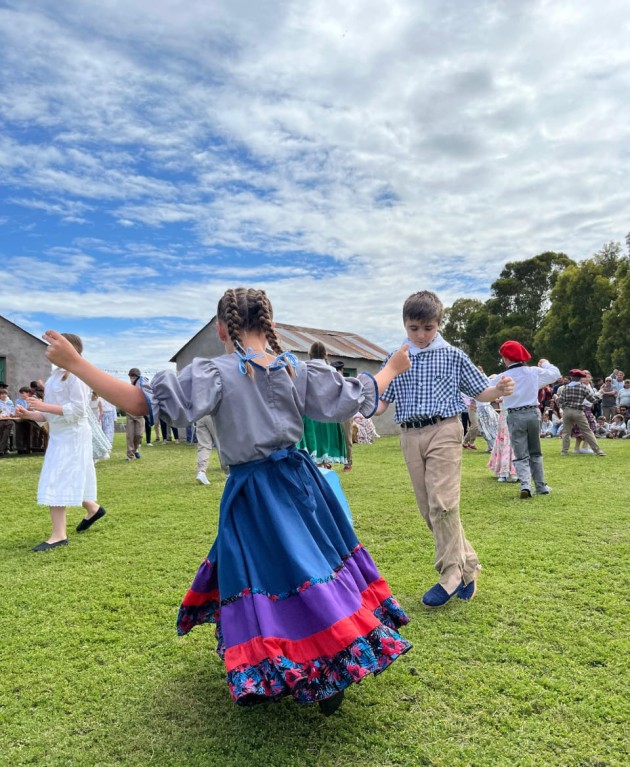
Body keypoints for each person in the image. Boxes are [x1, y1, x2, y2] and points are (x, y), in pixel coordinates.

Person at [42, 287, 413, 715]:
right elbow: (352, 398)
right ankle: (314, 657)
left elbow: (140, 402)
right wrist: (390, 368)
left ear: (221, 328)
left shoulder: (216, 373)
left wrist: (76, 363)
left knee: (269, 573)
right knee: (310, 567)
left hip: (254, 491)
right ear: (269, 324)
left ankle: (310, 660)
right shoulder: (294, 368)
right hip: (301, 483)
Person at [376, 290, 515, 608]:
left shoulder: (453, 356)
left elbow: (481, 391)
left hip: (445, 429)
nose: (421, 335)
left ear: (438, 324)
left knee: (443, 503)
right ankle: (469, 565)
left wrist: (499, 388)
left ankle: (450, 574)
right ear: (405, 325)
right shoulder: (397, 358)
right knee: (430, 510)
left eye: (428, 328)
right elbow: (382, 402)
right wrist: (361, 405)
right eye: (414, 328)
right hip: (409, 434)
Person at [15, 333, 106, 551]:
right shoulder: (55, 377)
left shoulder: (77, 376)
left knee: (57, 479)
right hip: (59, 436)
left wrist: (43, 406)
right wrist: (29, 414)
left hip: (73, 436)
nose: (48, 350)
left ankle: (59, 535)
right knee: (68, 477)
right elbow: (50, 415)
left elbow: (79, 410)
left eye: (53, 345)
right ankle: (93, 509)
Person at [490, 343, 560, 499]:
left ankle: (525, 485)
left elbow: (486, 389)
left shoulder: (502, 377)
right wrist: (545, 363)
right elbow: (555, 374)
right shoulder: (533, 372)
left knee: (520, 452)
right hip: (533, 413)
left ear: (506, 358)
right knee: (535, 451)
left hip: (514, 415)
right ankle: (541, 486)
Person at [298, 344, 347, 467]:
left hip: (310, 416)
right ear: (326, 354)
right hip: (328, 417)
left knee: (313, 457)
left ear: (310, 354)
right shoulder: (333, 372)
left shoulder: (303, 369)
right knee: (321, 455)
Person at [557, 369, 606, 456]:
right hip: (578, 411)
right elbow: (593, 400)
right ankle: (598, 451)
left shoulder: (566, 388)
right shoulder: (583, 387)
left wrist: (563, 407)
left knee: (566, 432)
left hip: (567, 411)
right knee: (587, 431)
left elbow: (559, 401)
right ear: (580, 378)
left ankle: (564, 451)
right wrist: (600, 396)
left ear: (572, 377)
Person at [331, 360, 354, 471]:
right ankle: (328, 461)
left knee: (346, 437)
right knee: (332, 437)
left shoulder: (347, 383)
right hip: (334, 413)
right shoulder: (330, 383)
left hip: (344, 413)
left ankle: (348, 462)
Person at [125, 368, 153, 461]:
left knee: (139, 435)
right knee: (130, 436)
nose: (132, 379)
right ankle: (130, 456)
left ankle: (136, 449)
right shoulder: (128, 388)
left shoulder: (142, 387)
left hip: (140, 414)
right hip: (130, 414)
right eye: (131, 377)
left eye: (134, 377)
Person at [488, 402, 518, 482]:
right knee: (504, 442)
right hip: (505, 415)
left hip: (517, 414)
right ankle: (504, 472)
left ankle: (516, 472)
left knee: (516, 442)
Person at [195, 413, 227, 485]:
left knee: (203, 445)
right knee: (221, 443)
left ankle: (201, 471)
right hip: (214, 414)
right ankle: (228, 471)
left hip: (200, 414)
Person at [0, 387, 16, 456]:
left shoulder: (10, 402)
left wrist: (12, 414)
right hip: (1, 420)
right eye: (2, 394)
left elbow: (13, 410)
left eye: (5, 394)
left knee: (6, 435)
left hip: (9, 420)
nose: (4, 395)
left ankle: (1, 450)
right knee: (1, 435)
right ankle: (5, 449)